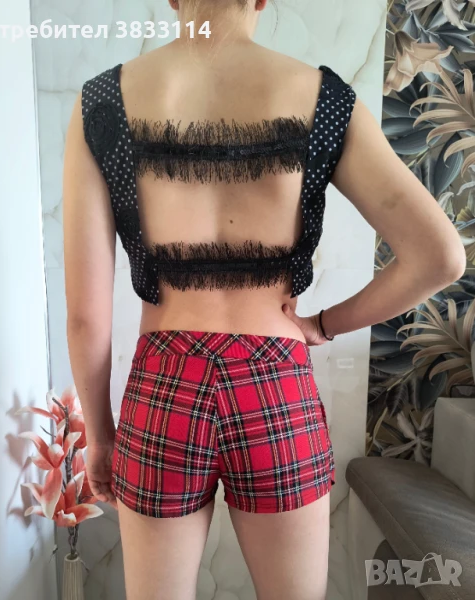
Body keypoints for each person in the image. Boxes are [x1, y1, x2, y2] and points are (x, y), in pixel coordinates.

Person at [62, 0, 465, 598]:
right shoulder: (324, 100)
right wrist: (323, 324)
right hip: (275, 384)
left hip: (164, 388)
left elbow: (85, 317)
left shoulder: (101, 103)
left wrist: (100, 437)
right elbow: (440, 256)